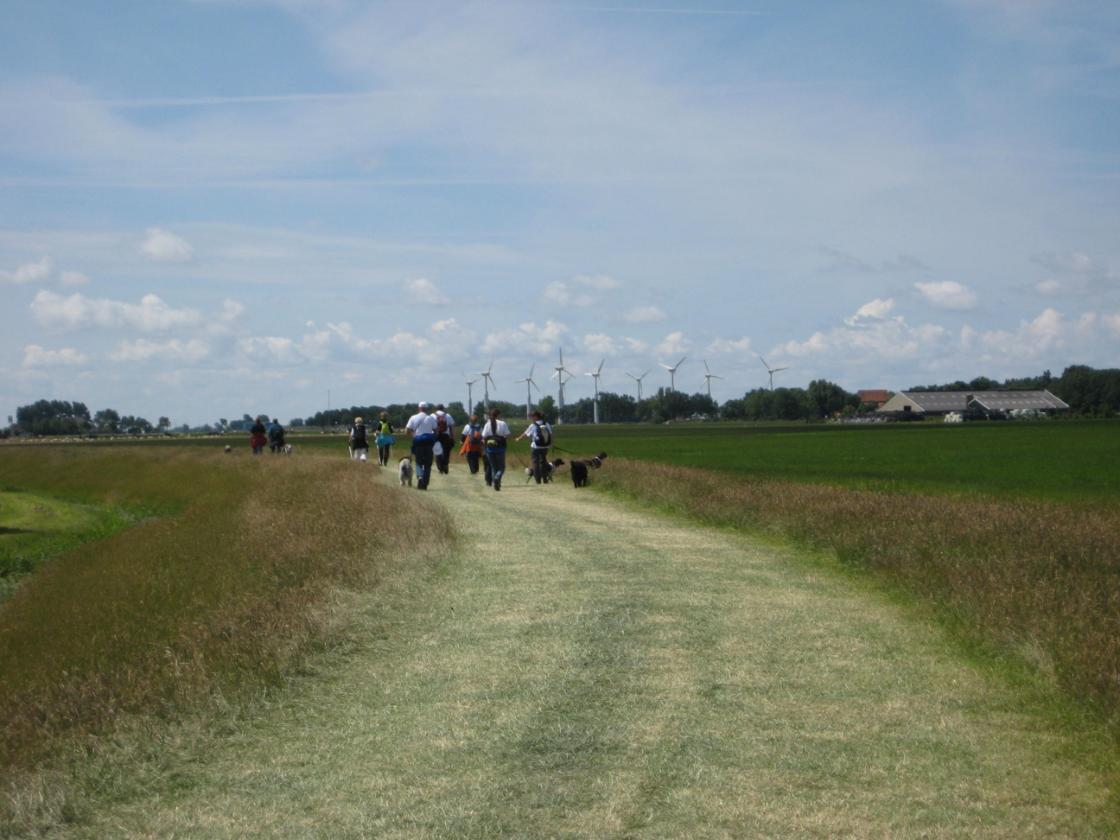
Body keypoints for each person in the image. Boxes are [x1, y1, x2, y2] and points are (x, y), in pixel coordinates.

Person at [405, 402, 439, 489]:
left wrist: (413, 435)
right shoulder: (431, 418)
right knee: (428, 464)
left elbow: (407, 430)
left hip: (418, 443)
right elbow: (436, 430)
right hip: (428, 443)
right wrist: (433, 438)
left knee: (419, 462)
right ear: (426, 409)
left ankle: (420, 477)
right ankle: (425, 483)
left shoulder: (413, 417)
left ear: (419, 408)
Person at [517, 410, 554, 484]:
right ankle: (545, 479)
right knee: (543, 463)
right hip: (545, 447)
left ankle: (538, 480)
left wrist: (518, 438)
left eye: (532, 417)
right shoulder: (546, 424)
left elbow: (526, 434)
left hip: (536, 447)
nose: (531, 418)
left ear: (536, 417)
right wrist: (551, 444)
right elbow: (551, 434)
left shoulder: (533, 425)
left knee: (535, 463)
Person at [481, 407, 511, 491]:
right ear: (498, 415)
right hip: (500, 448)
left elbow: (484, 436)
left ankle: (496, 483)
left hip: (490, 448)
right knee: (501, 467)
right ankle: (498, 477)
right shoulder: (502, 423)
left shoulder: (487, 424)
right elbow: (507, 434)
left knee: (493, 467)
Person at [433, 404, 455, 475]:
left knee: (437, 452)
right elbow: (451, 428)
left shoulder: (432, 416)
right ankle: (445, 465)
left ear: (436, 409)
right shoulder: (448, 416)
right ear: (443, 409)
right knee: (446, 452)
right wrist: (452, 437)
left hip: (436, 436)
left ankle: (440, 468)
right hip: (445, 436)